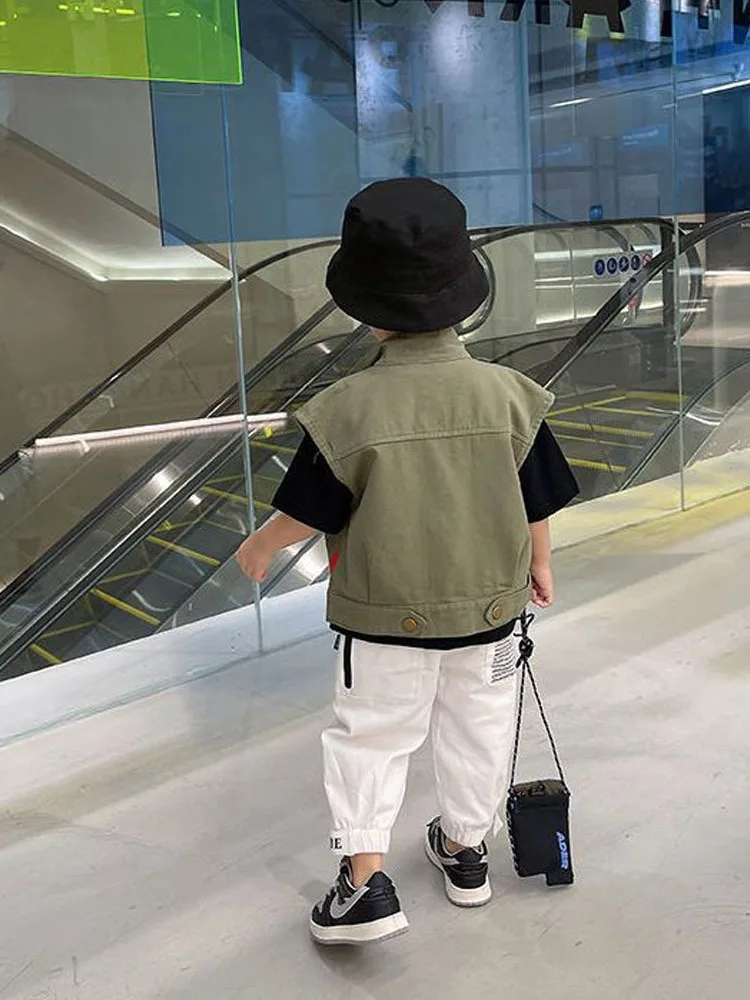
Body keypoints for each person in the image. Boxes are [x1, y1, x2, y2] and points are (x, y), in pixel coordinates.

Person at [236, 178, 578, 947]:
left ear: (365, 308)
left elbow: (311, 511)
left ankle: (364, 886)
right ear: (463, 295)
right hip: (490, 615)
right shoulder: (512, 396)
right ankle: (465, 854)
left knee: (370, 737)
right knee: (480, 729)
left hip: (383, 624)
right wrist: (541, 564)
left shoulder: (345, 407)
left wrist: (260, 546)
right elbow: (536, 499)